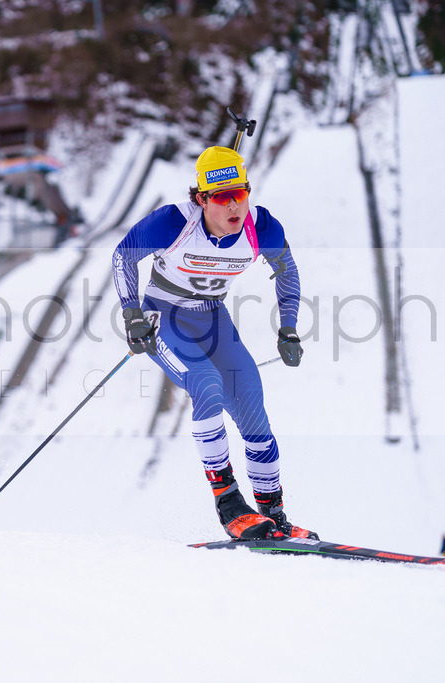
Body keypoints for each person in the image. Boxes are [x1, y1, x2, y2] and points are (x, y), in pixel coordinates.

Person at [111, 145, 315, 541]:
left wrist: (287, 328)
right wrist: (132, 314)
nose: (233, 206)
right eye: (221, 197)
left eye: (240, 193)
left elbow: (288, 273)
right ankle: (229, 503)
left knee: (252, 403)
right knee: (206, 384)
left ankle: (273, 512)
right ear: (202, 199)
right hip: (163, 317)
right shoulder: (173, 223)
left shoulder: (263, 228)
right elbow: (123, 257)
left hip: (212, 317)